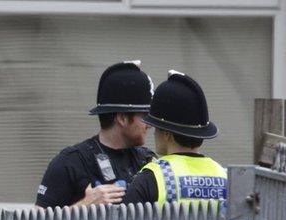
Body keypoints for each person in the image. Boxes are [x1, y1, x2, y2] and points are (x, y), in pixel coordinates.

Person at [35, 61, 155, 208]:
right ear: (122, 119)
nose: (150, 124)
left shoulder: (148, 161)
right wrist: (84, 206)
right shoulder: (69, 163)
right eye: (145, 116)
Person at [121, 71, 227, 206]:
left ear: (166, 134)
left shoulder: (153, 177)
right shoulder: (223, 176)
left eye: (156, 127)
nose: (153, 133)